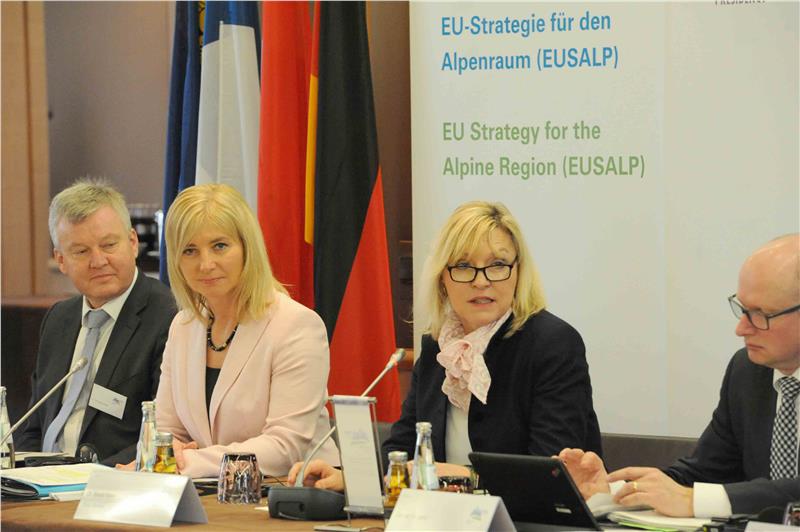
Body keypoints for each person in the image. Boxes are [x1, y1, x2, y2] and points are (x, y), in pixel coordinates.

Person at [290, 201, 601, 489]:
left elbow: (551, 470)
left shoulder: (552, 344)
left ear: (518, 273)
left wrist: (456, 476)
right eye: (463, 266)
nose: (481, 281)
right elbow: (402, 447)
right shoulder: (439, 345)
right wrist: (351, 479)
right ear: (443, 279)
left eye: (497, 264)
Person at [559, 234, 800, 517]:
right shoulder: (747, 371)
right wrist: (615, 491)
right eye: (742, 309)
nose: (741, 329)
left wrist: (694, 501)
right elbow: (705, 471)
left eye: (760, 314)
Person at [146, 183, 338, 478]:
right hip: (208, 492)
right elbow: (167, 430)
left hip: (290, 491)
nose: (205, 264)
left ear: (248, 248)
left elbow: (283, 448)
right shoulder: (183, 326)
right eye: (190, 250)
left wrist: (186, 463)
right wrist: (164, 453)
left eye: (219, 246)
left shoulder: (296, 325)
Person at [16, 180, 176, 465]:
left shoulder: (168, 316)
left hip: (112, 479)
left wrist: (89, 476)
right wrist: (27, 472)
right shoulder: (58, 319)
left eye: (109, 245)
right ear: (61, 260)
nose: (98, 261)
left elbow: (164, 433)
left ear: (133, 242)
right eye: (81, 251)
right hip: (43, 478)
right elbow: (34, 426)